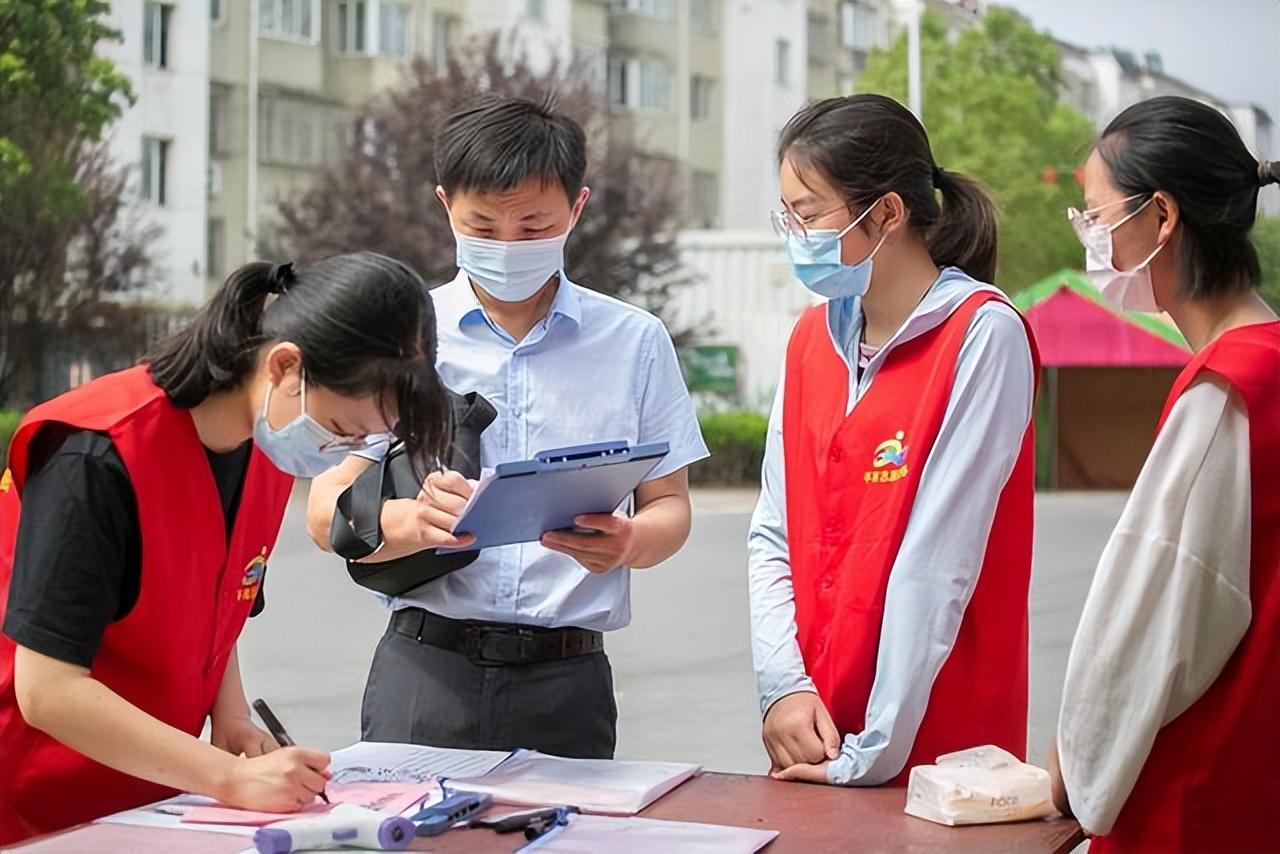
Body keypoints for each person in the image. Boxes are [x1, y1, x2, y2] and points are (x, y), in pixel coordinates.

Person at [0, 252, 451, 844]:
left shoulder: (263, 448)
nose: (341, 454)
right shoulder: (96, 454)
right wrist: (228, 779)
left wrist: (231, 714)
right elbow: (48, 690)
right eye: (342, 430)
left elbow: (218, 602)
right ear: (286, 366)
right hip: (35, 803)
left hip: (152, 795)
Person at [306, 97, 707, 760]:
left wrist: (631, 541)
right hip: (425, 669)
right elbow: (327, 514)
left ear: (576, 210)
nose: (508, 245)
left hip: (567, 681)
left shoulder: (633, 342)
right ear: (445, 206)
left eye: (532, 226)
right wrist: (409, 524)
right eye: (483, 227)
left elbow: (671, 506)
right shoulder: (408, 338)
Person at [747, 94, 1039, 787]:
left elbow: (938, 562)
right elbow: (772, 533)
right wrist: (782, 687)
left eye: (809, 214)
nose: (795, 233)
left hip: (938, 733)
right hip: (814, 725)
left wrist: (873, 754)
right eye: (787, 214)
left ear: (885, 213)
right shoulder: (810, 339)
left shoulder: (982, 334)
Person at [1049, 96, 1279, 852]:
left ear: (1162, 216)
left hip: (1199, 801)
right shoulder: (1267, 364)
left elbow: (1148, 625)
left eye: (1096, 215)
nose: (1091, 238)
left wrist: (1069, 771)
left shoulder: (1226, 389)